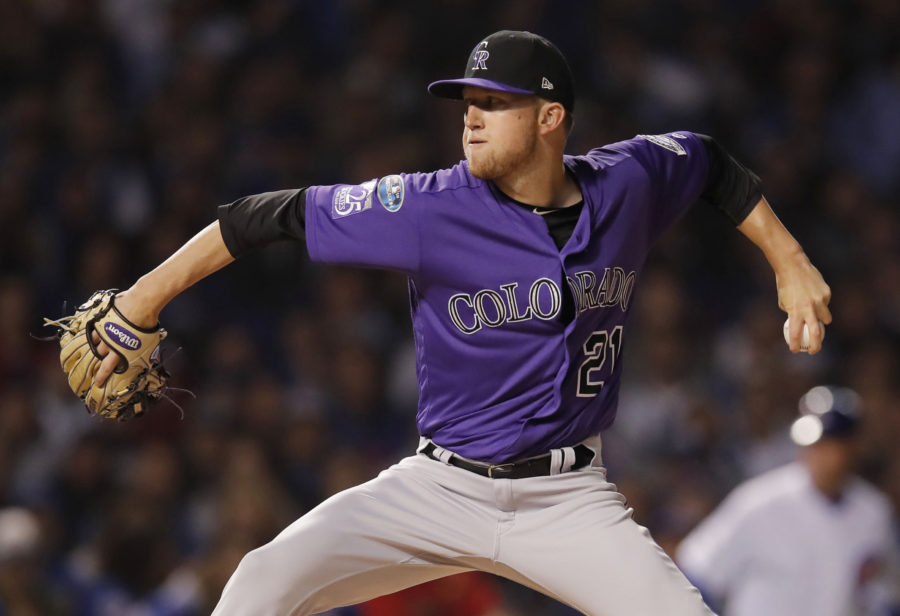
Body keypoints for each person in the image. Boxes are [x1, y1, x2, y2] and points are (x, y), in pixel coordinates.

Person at [86, 30, 832, 615]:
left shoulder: (628, 182)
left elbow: (709, 163)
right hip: (437, 491)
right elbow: (260, 217)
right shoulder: (427, 207)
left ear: (551, 118)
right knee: (261, 582)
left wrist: (789, 259)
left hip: (568, 500)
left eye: (494, 101)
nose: (470, 116)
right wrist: (141, 301)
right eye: (466, 100)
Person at [676, 386, 900, 616]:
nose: (816, 453)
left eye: (827, 445)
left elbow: (885, 593)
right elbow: (696, 570)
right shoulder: (759, 501)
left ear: (852, 447)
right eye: (812, 444)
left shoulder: (874, 511)